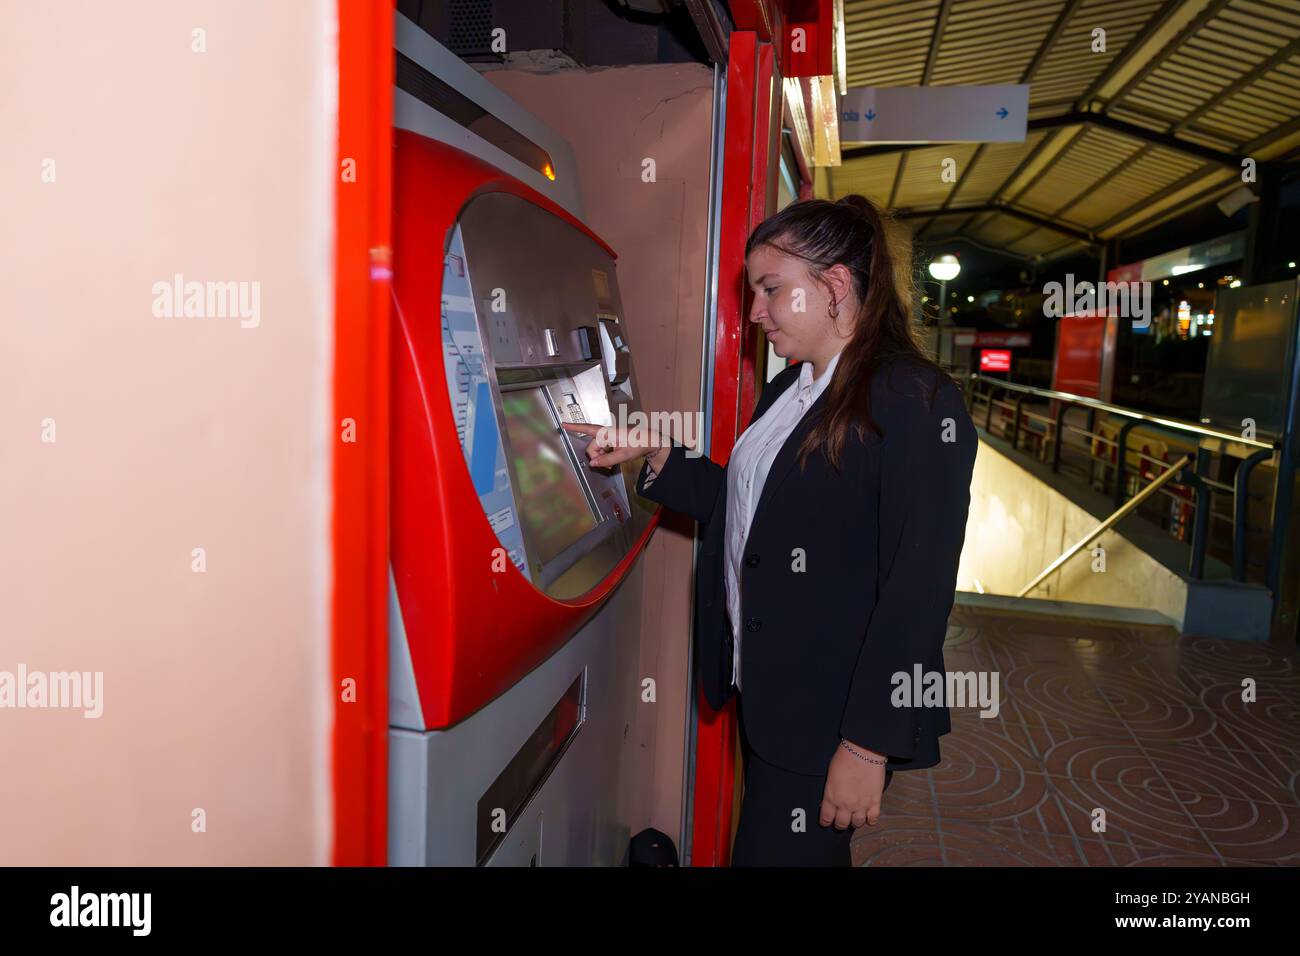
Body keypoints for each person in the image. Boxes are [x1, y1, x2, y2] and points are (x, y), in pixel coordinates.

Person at [562, 195, 977, 866]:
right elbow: (754, 509)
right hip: (775, 695)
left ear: (835, 286)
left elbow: (919, 586)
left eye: (771, 289)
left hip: (831, 716)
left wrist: (868, 744)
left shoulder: (914, 397)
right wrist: (654, 452)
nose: (754, 311)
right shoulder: (795, 387)